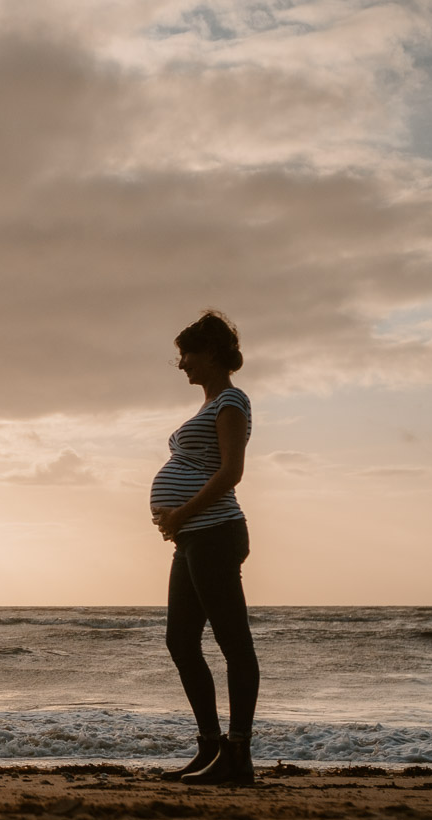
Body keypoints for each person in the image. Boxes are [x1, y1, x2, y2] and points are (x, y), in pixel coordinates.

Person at [150, 311, 259, 786]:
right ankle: (210, 747)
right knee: (180, 640)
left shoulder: (231, 402)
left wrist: (181, 513)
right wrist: (177, 521)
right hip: (194, 536)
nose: (182, 365)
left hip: (215, 532)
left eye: (187, 354)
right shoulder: (207, 406)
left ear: (212, 353)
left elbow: (232, 472)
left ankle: (238, 756)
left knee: (233, 642)